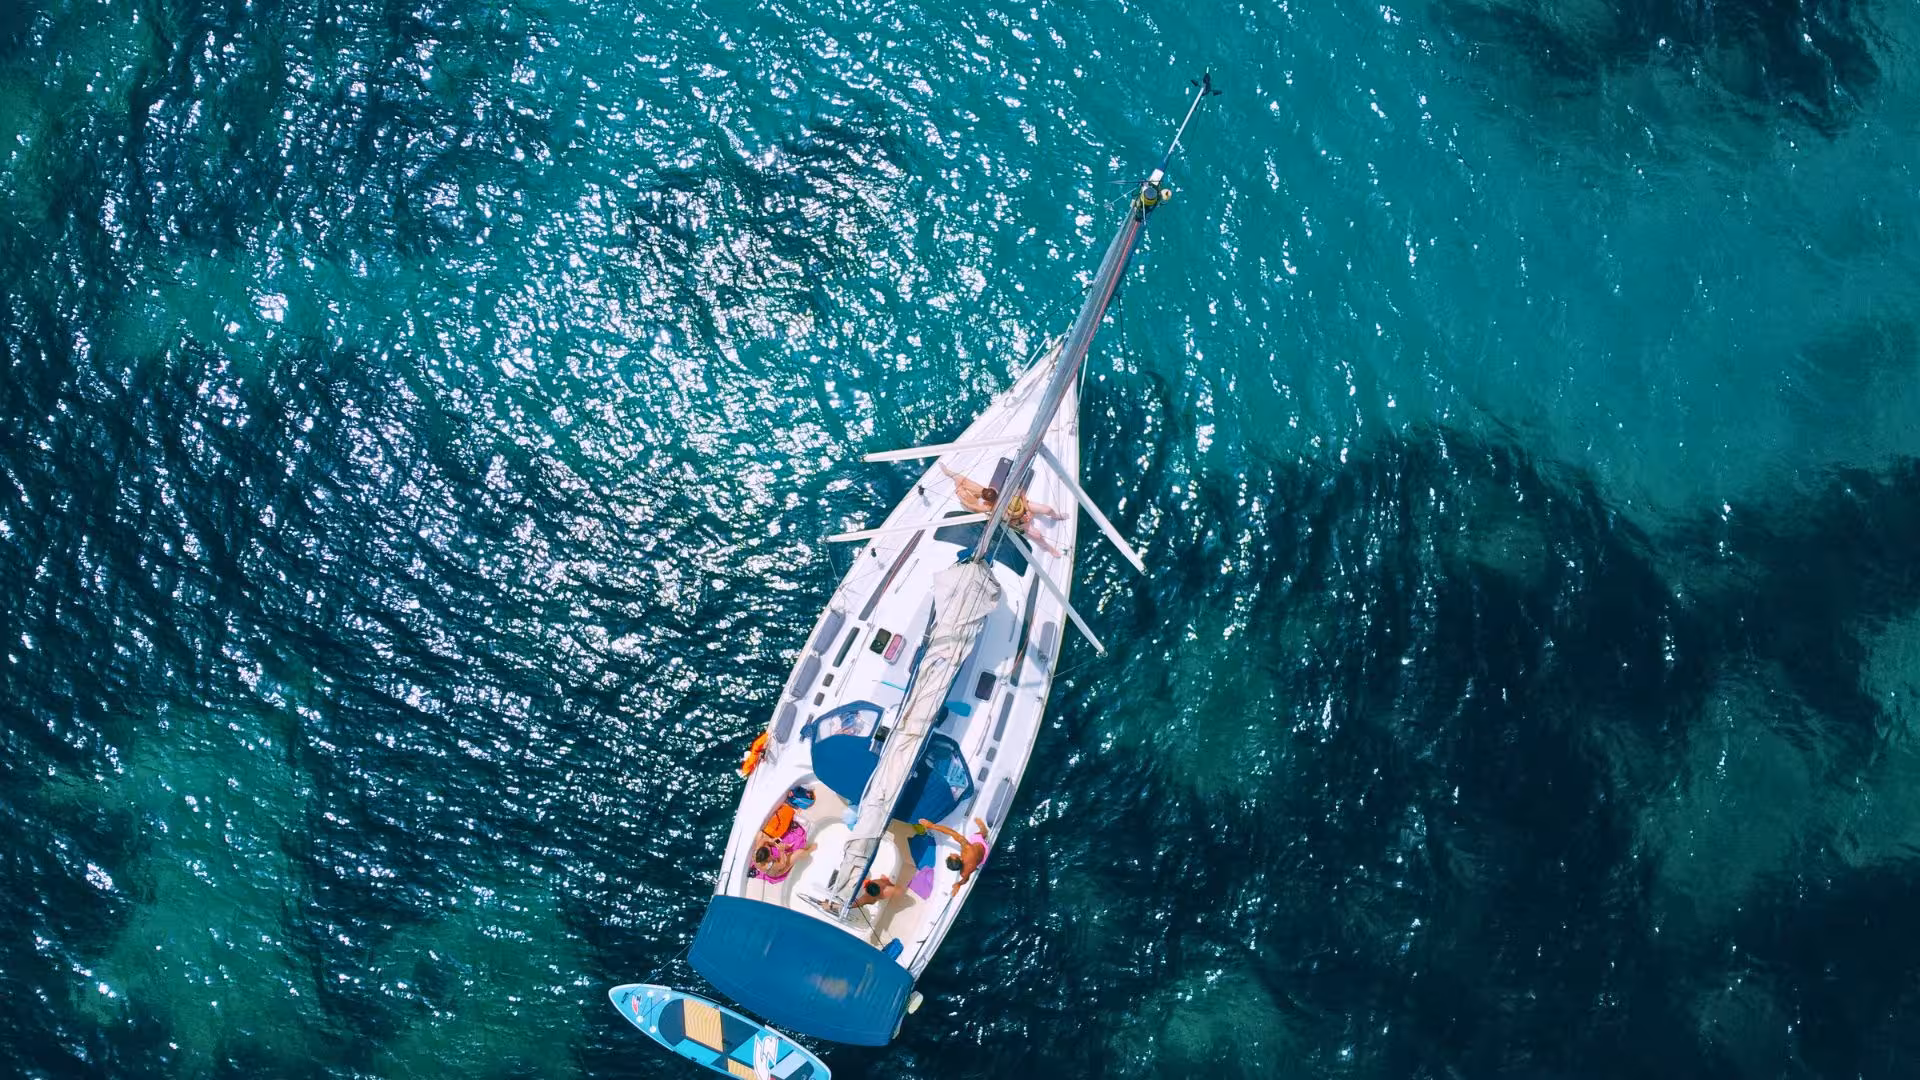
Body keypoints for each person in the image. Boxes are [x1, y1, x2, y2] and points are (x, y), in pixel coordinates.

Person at [937, 464, 1066, 556]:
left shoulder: (1008, 493)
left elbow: (1020, 492)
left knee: (1047, 509)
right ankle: (1048, 548)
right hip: (1018, 521)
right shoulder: (992, 509)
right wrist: (1023, 522)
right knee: (1037, 535)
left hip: (1022, 507)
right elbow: (1010, 523)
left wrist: (1027, 510)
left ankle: (1056, 515)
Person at [919, 816, 990, 895]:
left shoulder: (963, 873)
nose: (951, 853)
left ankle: (984, 832)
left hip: (982, 860)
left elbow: (965, 879)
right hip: (983, 848)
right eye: (952, 855)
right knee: (975, 836)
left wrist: (959, 884)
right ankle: (984, 830)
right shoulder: (967, 847)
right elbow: (952, 833)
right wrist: (932, 826)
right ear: (960, 858)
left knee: (976, 860)